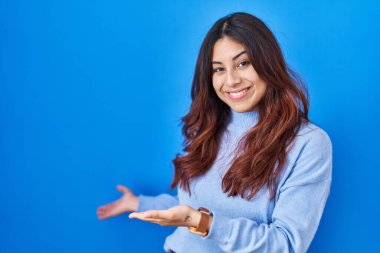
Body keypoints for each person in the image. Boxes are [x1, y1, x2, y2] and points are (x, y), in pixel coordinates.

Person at [97, 12, 332, 253]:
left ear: (268, 62)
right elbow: (192, 207)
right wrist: (138, 203)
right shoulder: (209, 127)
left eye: (243, 63)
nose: (231, 80)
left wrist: (200, 222)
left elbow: (287, 245)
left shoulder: (309, 143)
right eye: (219, 69)